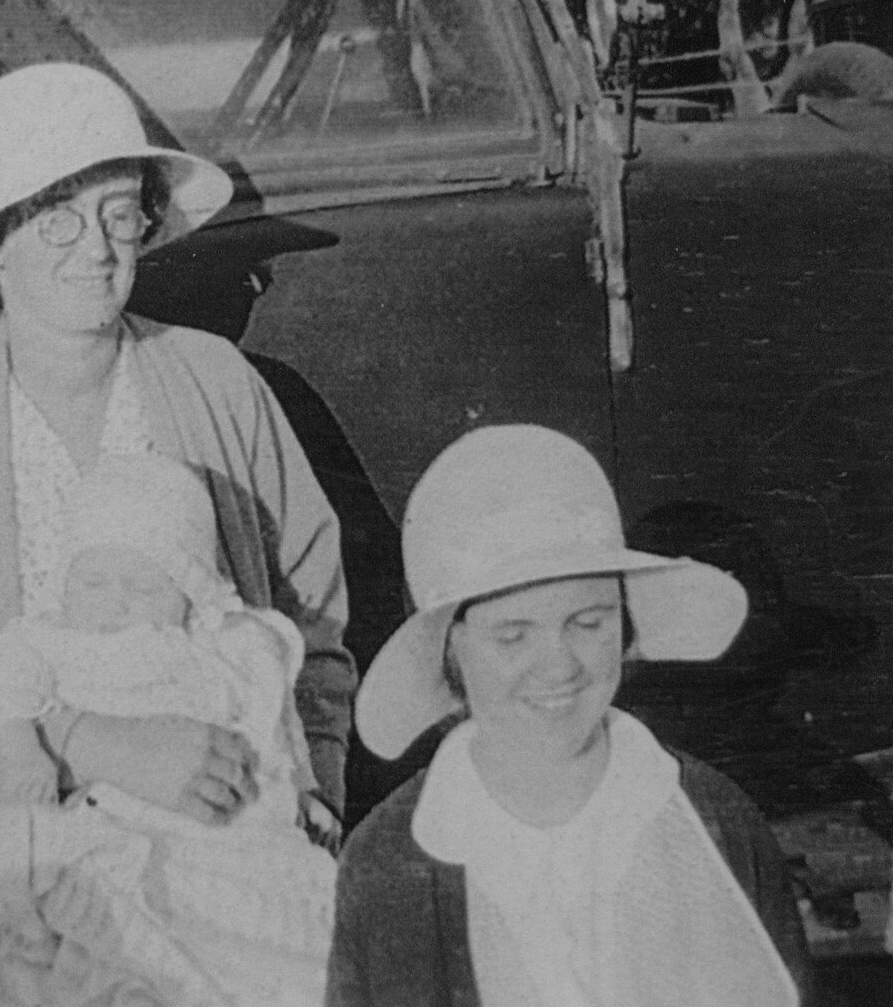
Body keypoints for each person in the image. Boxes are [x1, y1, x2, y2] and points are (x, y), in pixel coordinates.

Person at [0, 62, 353, 1006]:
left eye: (119, 214)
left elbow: (310, 620)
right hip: (12, 851)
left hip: (226, 839)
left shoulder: (218, 385)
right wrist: (94, 744)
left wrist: (310, 785)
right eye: (57, 219)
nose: (96, 249)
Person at [327, 424, 813, 1007]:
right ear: (450, 649)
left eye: (588, 622)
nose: (558, 667)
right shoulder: (390, 861)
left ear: (626, 624)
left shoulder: (715, 820)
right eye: (513, 636)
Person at [0, 452, 336, 1007]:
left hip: (222, 835)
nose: (116, 604)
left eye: (144, 587)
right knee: (92, 918)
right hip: (95, 823)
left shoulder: (228, 646)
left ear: (191, 592)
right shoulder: (47, 641)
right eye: (94, 583)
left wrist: (305, 786)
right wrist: (24, 748)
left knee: (290, 933)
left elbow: (274, 712)